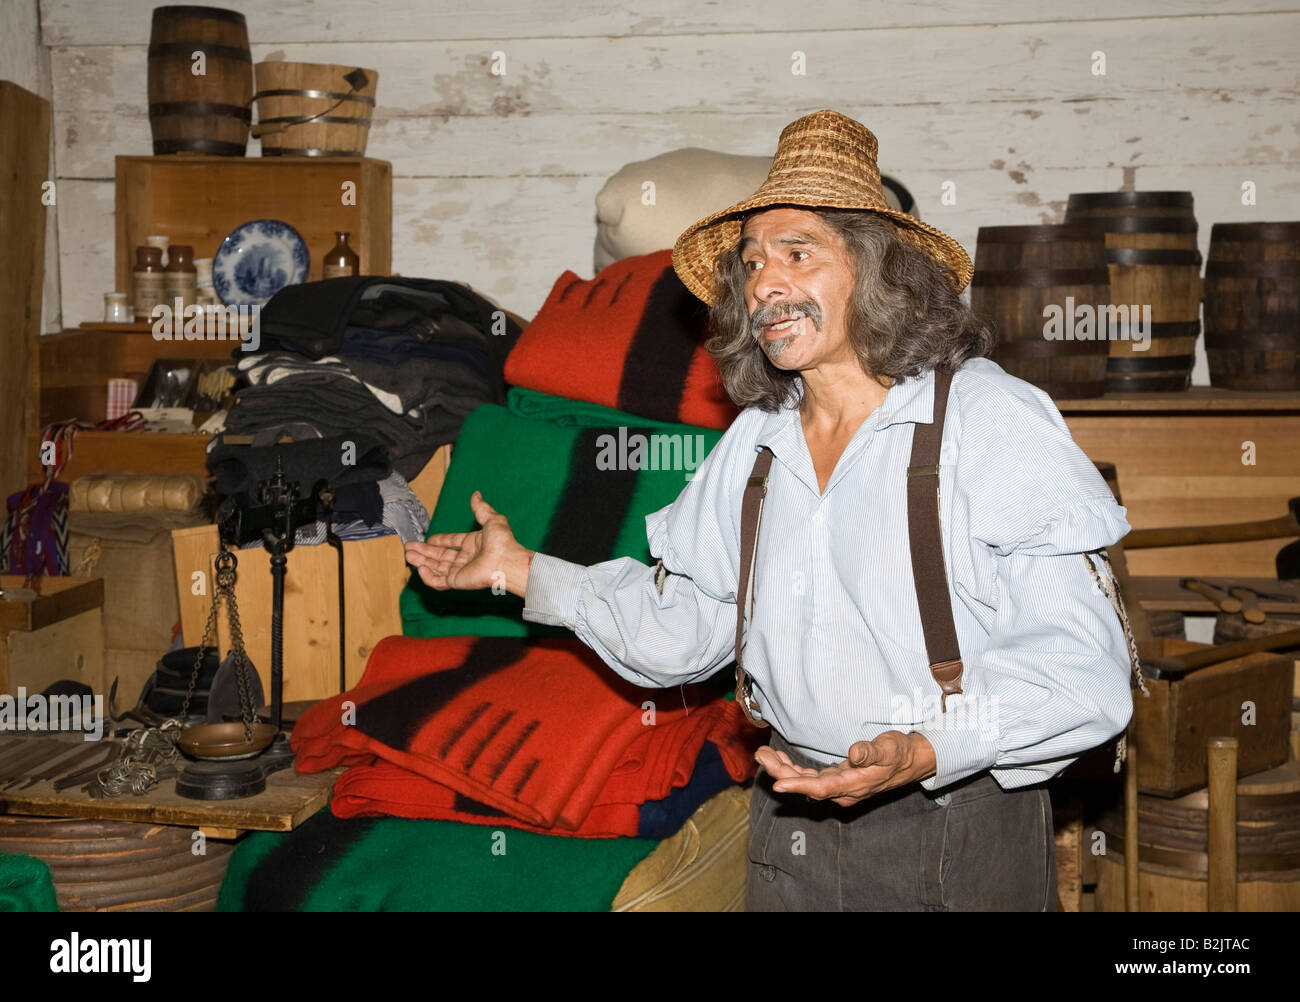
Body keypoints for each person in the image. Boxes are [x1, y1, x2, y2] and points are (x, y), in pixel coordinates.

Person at [404, 109, 1136, 911]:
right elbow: (683, 628)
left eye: (797, 253)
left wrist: (929, 748)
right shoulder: (756, 443)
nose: (765, 284)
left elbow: (1083, 671)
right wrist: (519, 570)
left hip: (948, 824)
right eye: (751, 263)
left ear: (878, 268)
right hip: (789, 819)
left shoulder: (987, 420)